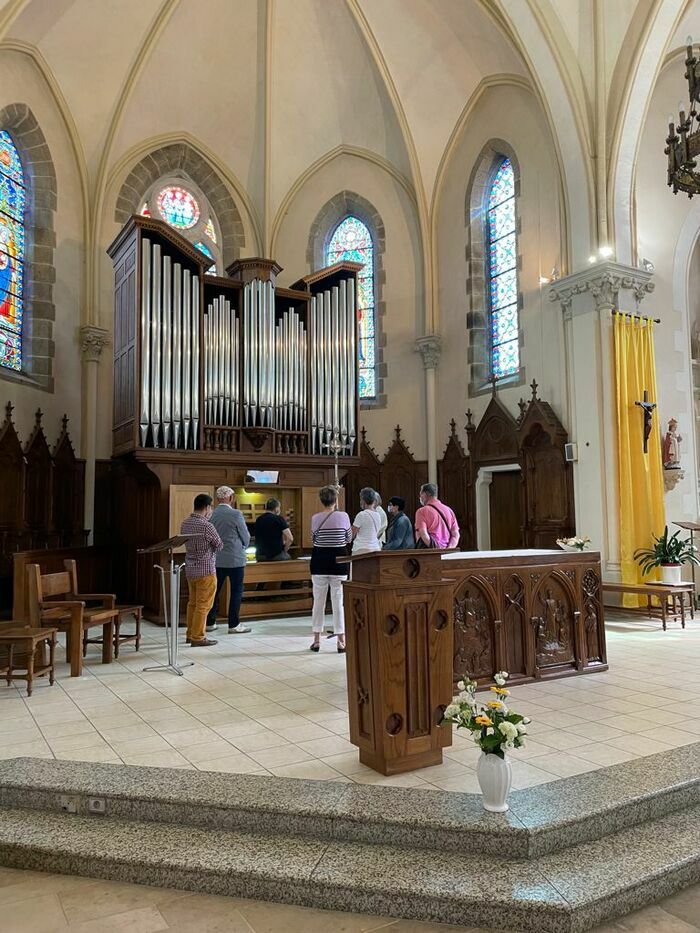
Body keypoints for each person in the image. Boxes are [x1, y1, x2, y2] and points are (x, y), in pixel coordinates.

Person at [309, 486, 351, 653]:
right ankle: (341, 641)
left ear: (321, 500)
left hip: (319, 560)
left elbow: (313, 538)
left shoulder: (315, 518)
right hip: (339, 560)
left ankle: (317, 640)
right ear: (335, 500)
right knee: (338, 601)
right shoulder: (344, 516)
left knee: (318, 602)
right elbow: (348, 538)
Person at [206, 485, 252, 635]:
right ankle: (234, 624)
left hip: (216, 559)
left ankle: (210, 622)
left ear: (218, 499)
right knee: (236, 591)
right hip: (235, 559)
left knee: (214, 591)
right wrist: (244, 545)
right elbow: (245, 535)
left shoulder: (211, 514)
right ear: (231, 498)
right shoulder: (236, 514)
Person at [180, 493, 222, 647]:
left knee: (193, 603)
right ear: (206, 508)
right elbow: (219, 544)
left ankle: (190, 633)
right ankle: (198, 637)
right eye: (211, 508)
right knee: (204, 605)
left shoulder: (185, 523)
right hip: (206, 570)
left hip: (190, 569)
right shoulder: (207, 525)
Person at [414, 483, 460, 550]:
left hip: (430, 553)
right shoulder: (449, 511)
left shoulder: (421, 511)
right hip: (446, 554)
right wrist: (448, 550)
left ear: (426, 494)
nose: (420, 497)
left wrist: (436, 550)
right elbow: (456, 535)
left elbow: (423, 534)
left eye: (421, 494)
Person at [351, 487, 383, 555]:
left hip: (361, 549)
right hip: (375, 548)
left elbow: (352, 534)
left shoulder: (362, 515)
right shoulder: (378, 515)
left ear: (363, 501)